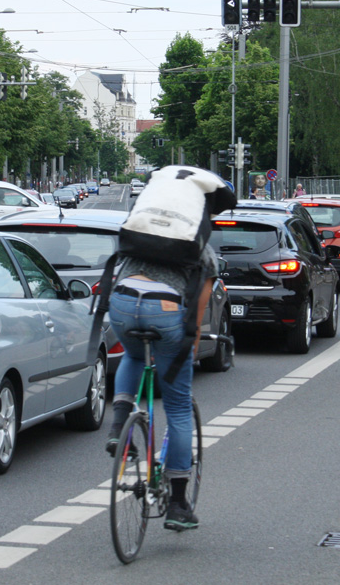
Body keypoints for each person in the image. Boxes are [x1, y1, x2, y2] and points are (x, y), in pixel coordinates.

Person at [104, 179, 229, 533]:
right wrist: (192, 338)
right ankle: (177, 503)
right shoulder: (197, 241)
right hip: (165, 308)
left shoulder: (141, 222)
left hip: (124, 303)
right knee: (176, 407)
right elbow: (203, 298)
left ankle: (118, 431)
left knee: (132, 355)